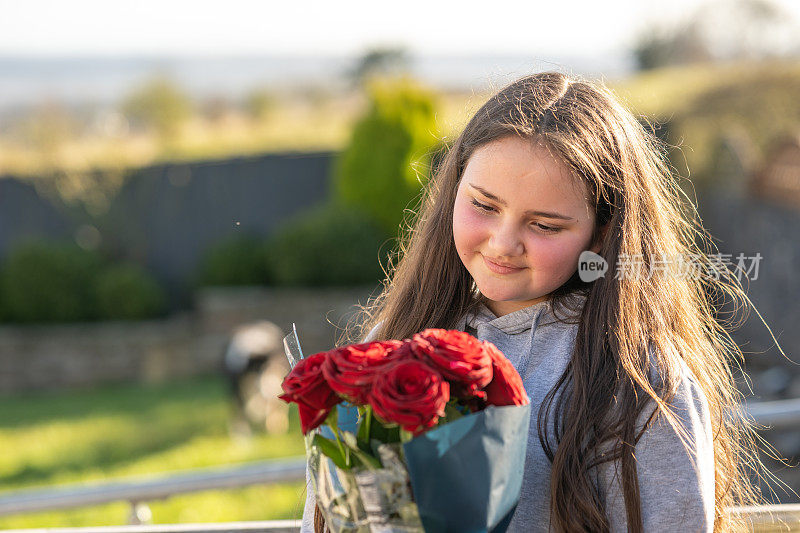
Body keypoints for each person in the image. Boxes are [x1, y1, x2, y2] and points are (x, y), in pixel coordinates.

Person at [301, 71, 778, 532]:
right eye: (484, 206)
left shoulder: (643, 382)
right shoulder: (391, 345)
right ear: (452, 190)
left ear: (603, 233)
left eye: (545, 225)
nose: (503, 243)